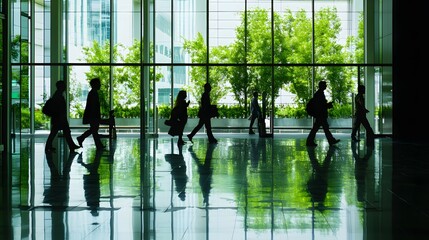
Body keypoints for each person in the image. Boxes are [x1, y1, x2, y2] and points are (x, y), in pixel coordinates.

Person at [45, 80, 80, 153]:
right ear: (61, 86)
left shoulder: (58, 94)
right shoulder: (58, 95)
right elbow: (59, 108)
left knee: (58, 132)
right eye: (63, 85)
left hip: (58, 118)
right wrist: (62, 117)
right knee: (59, 132)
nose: (65, 87)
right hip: (59, 118)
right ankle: (71, 145)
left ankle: (71, 145)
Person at [77, 77, 110, 150]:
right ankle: (98, 145)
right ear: (95, 84)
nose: (100, 85)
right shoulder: (93, 94)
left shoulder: (92, 93)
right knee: (94, 130)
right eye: (99, 84)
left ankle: (82, 138)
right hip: (93, 116)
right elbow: (93, 106)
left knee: (94, 129)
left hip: (92, 115)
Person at [306, 81, 340, 147]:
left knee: (319, 128)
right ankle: (331, 140)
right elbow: (321, 106)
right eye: (325, 85)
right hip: (321, 115)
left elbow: (320, 105)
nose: (326, 86)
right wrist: (328, 105)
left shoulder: (319, 94)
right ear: (321, 86)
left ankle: (310, 141)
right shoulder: (319, 94)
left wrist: (327, 105)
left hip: (320, 115)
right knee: (322, 129)